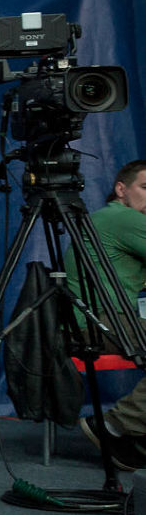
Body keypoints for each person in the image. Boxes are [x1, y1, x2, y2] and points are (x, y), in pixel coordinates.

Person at [68, 160, 146, 470]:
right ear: (121, 189)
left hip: (101, 318)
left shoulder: (110, 220)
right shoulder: (123, 217)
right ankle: (114, 425)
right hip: (99, 321)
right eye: (145, 188)